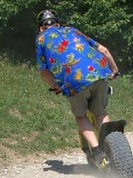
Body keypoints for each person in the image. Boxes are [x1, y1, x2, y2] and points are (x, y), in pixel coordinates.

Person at [35, 9, 119, 162]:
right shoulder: (73, 30)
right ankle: (112, 146)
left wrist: (55, 85)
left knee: (80, 116)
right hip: (99, 73)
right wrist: (114, 70)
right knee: (100, 112)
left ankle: (96, 151)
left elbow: (43, 70)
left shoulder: (41, 39)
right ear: (58, 24)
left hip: (73, 81)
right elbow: (104, 50)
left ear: (41, 28)